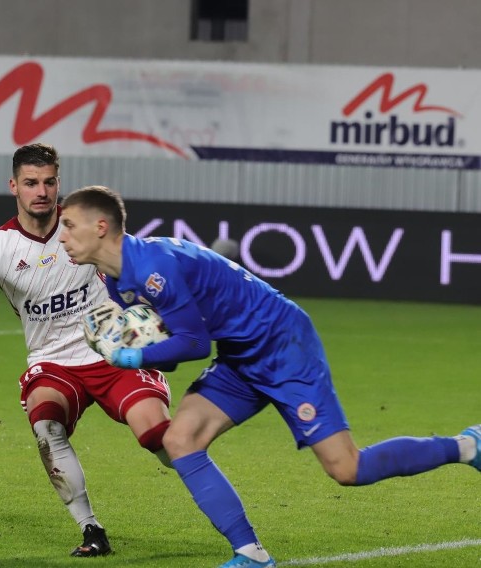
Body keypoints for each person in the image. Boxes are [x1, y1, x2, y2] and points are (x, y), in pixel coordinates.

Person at [58, 185, 481, 568]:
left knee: (347, 468)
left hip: (281, 344)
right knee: (180, 439)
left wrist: (131, 357)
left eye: (69, 226)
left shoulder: (154, 266)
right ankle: (251, 554)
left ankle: (466, 446)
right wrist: (130, 349)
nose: (62, 236)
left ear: (100, 227)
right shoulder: (117, 282)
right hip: (241, 353)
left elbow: (193, 344)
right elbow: (173, 349)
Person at [0, 144, 173, 557]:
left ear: (58, 183)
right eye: (30, 183)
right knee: (46, 424)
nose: (40, 191)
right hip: (54, 362)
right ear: (14, 187)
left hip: (112, 351)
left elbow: (143, 267)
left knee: (159, 439)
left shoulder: (84, 226)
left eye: (48, 182)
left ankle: (223, 504)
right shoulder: (0, 250)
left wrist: (162, 317)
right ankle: (91, 529)